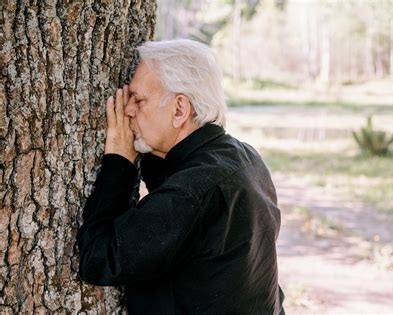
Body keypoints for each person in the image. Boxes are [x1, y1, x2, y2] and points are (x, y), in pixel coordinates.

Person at [75, 39, 285, 314]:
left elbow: (99, 258)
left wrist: (119, 162)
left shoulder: (191, 194)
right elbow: (175, 200)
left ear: (179, 110)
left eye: (138, 100)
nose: (128, 109)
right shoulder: (245, 158)